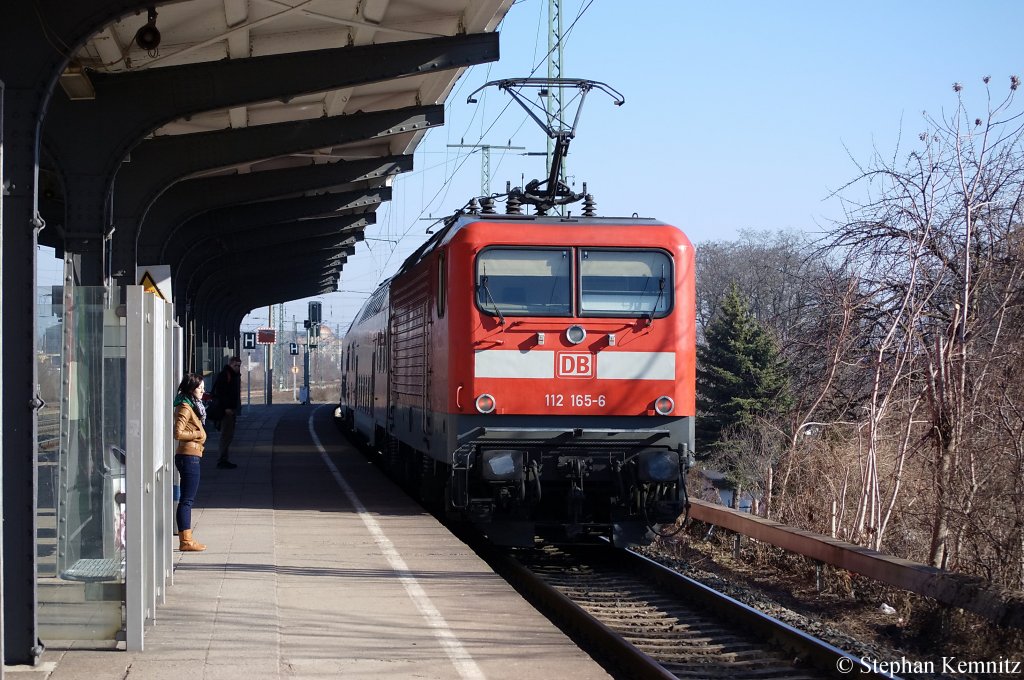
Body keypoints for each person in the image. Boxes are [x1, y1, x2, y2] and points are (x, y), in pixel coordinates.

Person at [173, 373, 208, 552]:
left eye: (203, 387)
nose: (202, 391)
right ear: (190, 388)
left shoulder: (192, 405)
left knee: (187, 499)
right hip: (188, 457)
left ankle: (186, 539)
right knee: (187, 500)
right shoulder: (185, 407)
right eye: (199, 388)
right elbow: (177, 433)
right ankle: (185, 540)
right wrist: (198, 434)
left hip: (191, 456)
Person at [212, 356, 242, 469]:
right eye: (236, 365)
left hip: (230, 410)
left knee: (229, 435)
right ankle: (222, 460)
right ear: (231, 364)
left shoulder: (233, 376)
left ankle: (224, 458)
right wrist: (226, 408)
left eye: (239, 366)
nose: (238, 368)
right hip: (226, 411)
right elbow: (220, 393)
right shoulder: (225, 375)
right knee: (226, 435)